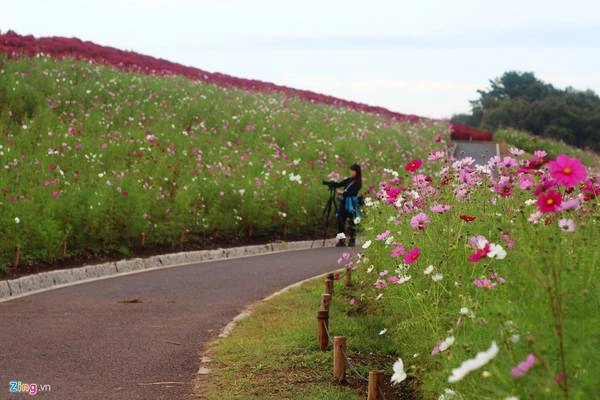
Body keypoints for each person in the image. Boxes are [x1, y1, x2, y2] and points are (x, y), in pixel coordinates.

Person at [333, 164, 362, 247]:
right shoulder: (348, 180)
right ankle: (341, 240)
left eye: (353, 171)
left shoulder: (358, 182)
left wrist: (342, 192)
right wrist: (332, 184)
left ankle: (352, 240)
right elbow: (339, 184)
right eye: (351, 170)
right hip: (344, 202)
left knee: (352, 221)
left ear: (357, 172)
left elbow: (352, 192)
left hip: (351, 203)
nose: (351, 172)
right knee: (340, 220)